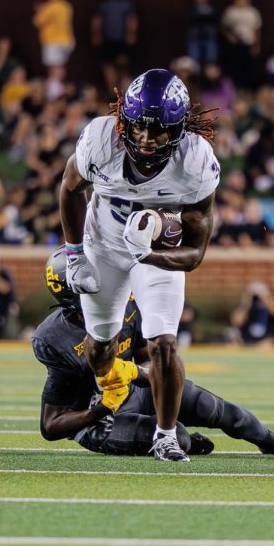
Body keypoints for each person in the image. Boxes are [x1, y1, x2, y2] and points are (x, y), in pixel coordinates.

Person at [57, 68, 220, 462]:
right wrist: (74, 253)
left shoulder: (195, 161)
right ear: (123, 120)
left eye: (159, 130)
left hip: (156, 254)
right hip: (103, 247)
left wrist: (149, 255)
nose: (147, 138)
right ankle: (109, 386)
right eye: (138, 127)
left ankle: (164, 435)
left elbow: (195, 255)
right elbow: (69, 189)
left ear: (179, 129)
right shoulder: (100, 140)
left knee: (163, 343)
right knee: (99, 349)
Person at [33, 250, 274, 456]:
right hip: (101, 421)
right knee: (180, 439)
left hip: (136, 391)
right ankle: (180, 441)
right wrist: (101, 408)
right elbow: (51, 426)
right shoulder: (56, 339)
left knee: (220, 411)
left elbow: (146, 359)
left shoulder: (128, 305)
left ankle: (272, 441)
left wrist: (142, 373)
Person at [33, 0, 75, 69]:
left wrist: (39, 10)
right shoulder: (66, 6)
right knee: (60, 65)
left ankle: (56, 82)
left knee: (54, 67)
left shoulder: (50, 7)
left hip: (53, 42)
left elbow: (37, 22)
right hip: (67, 41)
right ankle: (57, 82)